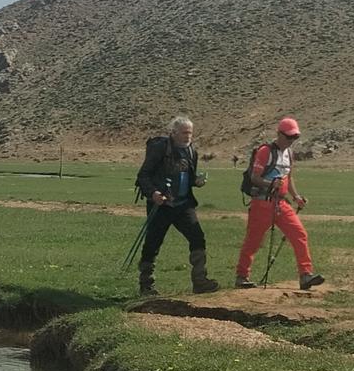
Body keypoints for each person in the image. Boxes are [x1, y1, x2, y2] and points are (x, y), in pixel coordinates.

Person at [134, 116, 220, 297]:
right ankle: (146, 285)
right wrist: (153, 194)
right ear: (173, 133)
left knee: (198, 238)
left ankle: (200, 281)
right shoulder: (159, 149)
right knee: (153, 243)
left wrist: (196, 181)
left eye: (190, 132)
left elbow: (187, 176)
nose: (188, 136)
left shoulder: (191, 151)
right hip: (161, 204)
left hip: (183, 204)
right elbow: (143, 175)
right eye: (184, 132)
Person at [236, 117, 323, 291]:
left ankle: (305, 275)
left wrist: (296, 196)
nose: (291, 141)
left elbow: (288, 178)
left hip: (281, 203)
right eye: (289, 137)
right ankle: (242, 276)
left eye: (295, 137)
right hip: (262, 203)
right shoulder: (265, 151)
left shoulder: (289, 154)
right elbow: (254, 178)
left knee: (299, 234)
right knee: (254, 241)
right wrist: (271, 184)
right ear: (279, 134)